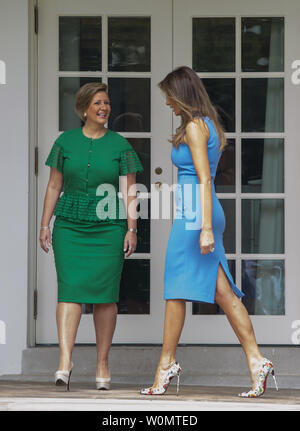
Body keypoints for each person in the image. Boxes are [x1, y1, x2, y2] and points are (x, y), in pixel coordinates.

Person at [140, 66, 278, 398]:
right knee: (224, 293)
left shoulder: (194, 127)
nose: (167, 103)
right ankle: (257, 360)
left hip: (194, 216)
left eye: (170, 97)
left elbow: (204, 178)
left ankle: (166, 364)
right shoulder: (207, 124)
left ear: (182, 95)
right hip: (198, 212)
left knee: (175, 287)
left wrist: (204, 229)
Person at [40, 82, 143, 391]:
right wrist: (45, 224)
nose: (104, 108)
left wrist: (132, 228)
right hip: (69, 226)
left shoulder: (120, 145)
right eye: (98, 103)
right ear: (84, 108)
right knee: (69, 291)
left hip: (108, 226)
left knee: (105, 296)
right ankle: (65, 361)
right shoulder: (64, 143)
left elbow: (129, 191)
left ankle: (102, 363)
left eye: (107, 103)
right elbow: (54, 186)